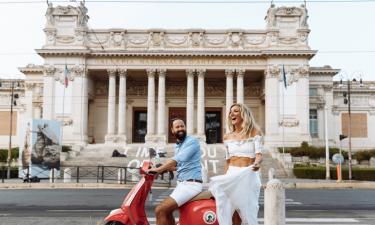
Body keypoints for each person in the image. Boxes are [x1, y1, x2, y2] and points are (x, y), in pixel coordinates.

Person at [209, 103, 263, 225]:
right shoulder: (227, 136)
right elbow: (228, 161)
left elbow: (259, 155)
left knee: (248, 211)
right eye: (230, 112)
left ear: (244, 115)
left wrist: (257, 164)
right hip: (231, 174)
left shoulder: (255, 132)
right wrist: (224, 178)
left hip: (248, 175)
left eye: (236, 111)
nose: (231, 114)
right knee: (229, 210)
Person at [147, 118, 202, 225]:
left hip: (191, 184)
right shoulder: (178, 145)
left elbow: (178, 159)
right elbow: (181, 166)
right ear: (172, 130)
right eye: (177, 127)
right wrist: (164, 169)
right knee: (167, 212)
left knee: (160, 210)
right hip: (183, 184)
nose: (180, 128)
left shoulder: (192, 141)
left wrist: (159, 169)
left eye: (182, 126)